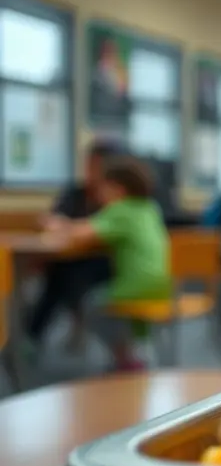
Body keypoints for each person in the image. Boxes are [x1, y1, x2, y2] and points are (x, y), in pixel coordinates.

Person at [48, 157, 170, 371]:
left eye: (104, 188)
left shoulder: (120, 210)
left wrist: (57, 224)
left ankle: (124, 356)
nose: (99, 194)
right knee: (127, 308)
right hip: (163, 284)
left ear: (118, 190)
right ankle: (141, 348)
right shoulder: (150, 208)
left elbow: (82, 233)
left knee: (91, 303)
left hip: (136, 286)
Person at [27, 140, 121, 350]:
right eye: (89, 165)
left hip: (107, 263)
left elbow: (89, 230)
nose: (91, 171)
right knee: (57, 273)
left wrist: (67, 227)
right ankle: (31, 336)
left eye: (97, 166)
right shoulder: (75, 193)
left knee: (63, 277)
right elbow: (52, 220)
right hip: (68, 258)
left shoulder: (115, 198)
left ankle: (33, 335)